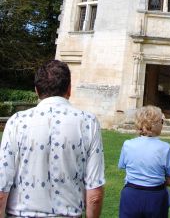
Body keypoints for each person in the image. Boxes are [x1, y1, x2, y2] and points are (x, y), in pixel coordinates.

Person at [0, 60, 105, 218]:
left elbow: (2, 185)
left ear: (36, 90)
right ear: (69, 89)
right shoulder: (88, 122)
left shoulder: (16, 121)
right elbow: (94, 193)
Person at [118, 106, 170, 218]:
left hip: (131, 195)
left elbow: (123, 166)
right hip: (155, 197)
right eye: (162, 121)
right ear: (155, 124)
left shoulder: (128, 144)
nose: (163, 124)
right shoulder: (165, 148)